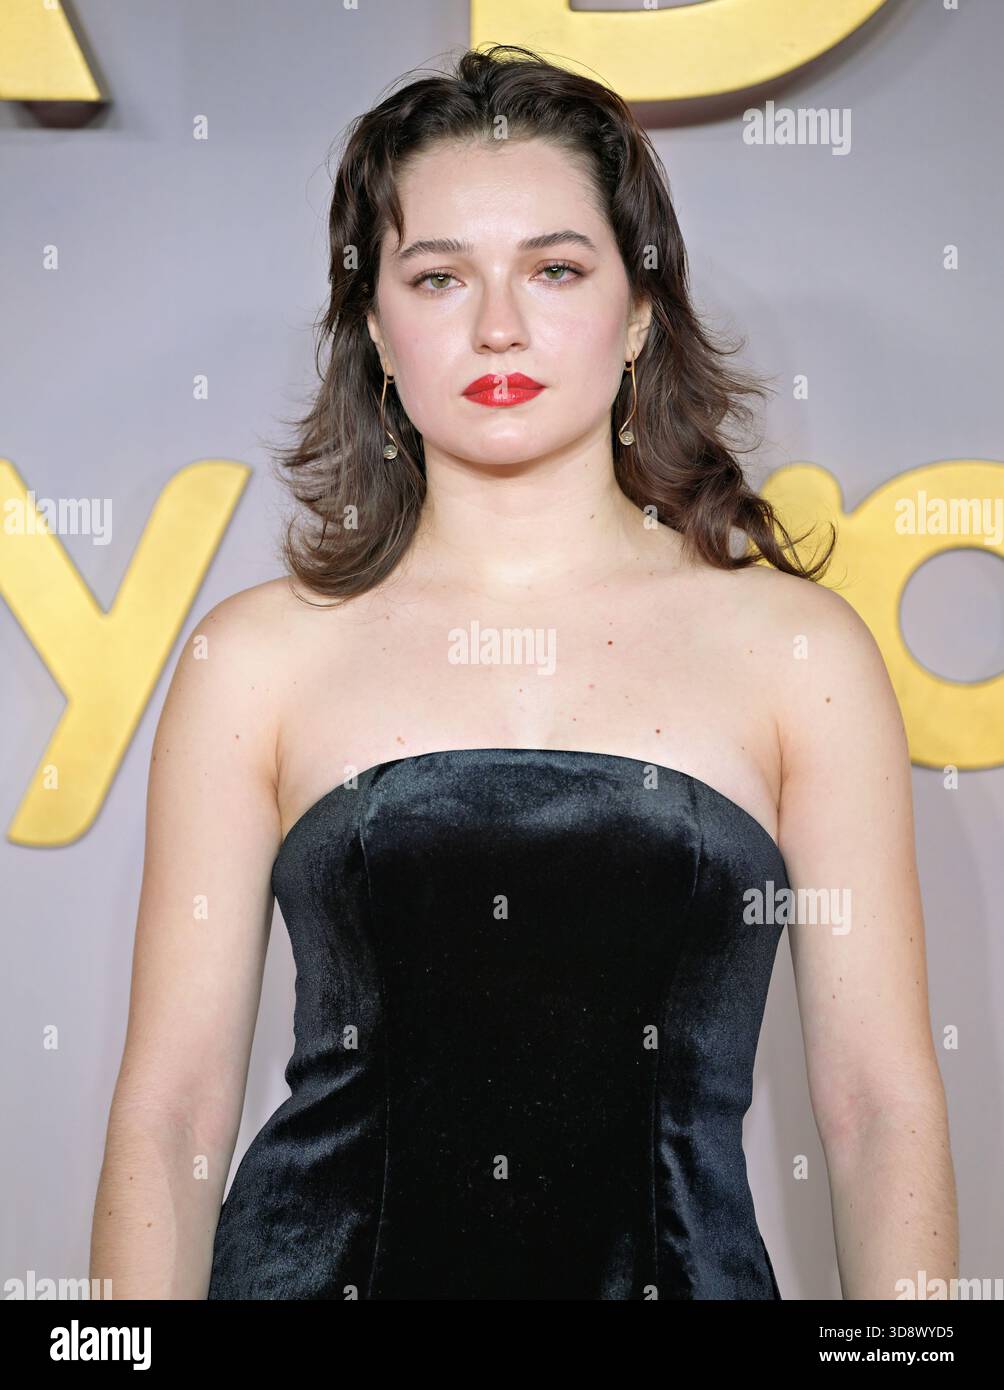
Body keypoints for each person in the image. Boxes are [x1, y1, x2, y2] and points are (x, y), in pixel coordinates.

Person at [89, 44, 957, 1300]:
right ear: (375, 330)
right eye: (438, 276)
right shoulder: (256, 655)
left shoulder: (795, 654)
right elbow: (167, 1117)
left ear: (640, 311)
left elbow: (879, 1112)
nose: (498, 324)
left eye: (553, 268)